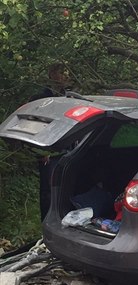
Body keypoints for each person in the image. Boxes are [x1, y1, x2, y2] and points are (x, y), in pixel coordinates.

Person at [28, 63, 72, 221]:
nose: (65, 76)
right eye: (61, 72)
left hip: (67, 149)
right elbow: (32, 124)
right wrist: (41, 150)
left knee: (66, 187)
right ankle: (46, 222)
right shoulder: (41, 98)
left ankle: (63, 219)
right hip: (48, 150)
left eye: (66, 72)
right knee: (48, 190)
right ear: (52, 75)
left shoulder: (69, 96)